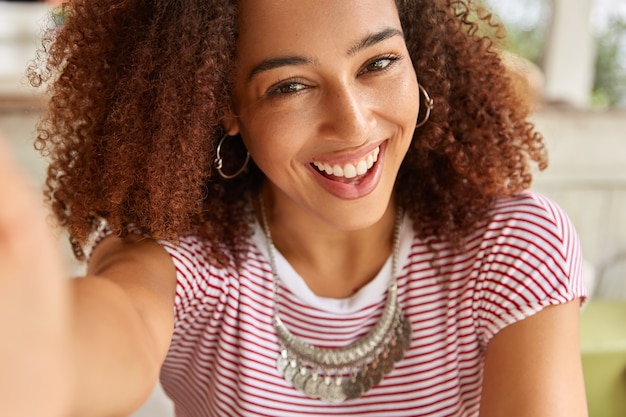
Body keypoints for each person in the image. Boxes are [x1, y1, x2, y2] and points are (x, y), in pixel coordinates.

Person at [0, 0, 588, 416]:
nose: (353, 124)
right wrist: (35, 350)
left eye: (378, 63)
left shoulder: (513, 247)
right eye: (289, 86)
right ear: (226, 107)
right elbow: (116, 323)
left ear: (419, 59)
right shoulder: (180, 257)